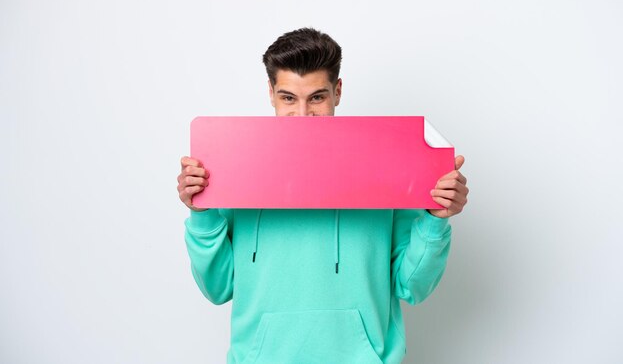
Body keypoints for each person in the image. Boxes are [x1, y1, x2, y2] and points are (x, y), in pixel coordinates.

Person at [177, 27, 469, 364]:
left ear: (337, 91)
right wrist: (202, 212)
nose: (303, 115)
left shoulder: (386, 167)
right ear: (271, 93)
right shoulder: (236, 167)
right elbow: (217, 287)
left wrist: (435, 222)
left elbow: (412, 287)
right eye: (288, 98)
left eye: (317, 97)